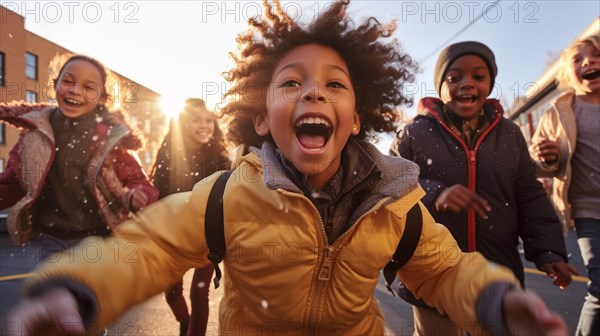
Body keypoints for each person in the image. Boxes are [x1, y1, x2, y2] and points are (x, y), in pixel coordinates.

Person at [4, 2, 569, 335]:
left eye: (335, 85)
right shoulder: (227, 196)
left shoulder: (394, 203)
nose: (314, 95)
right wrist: (76, 289)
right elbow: (149, 247)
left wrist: (497, 300)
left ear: (356, 118)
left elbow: (443, 271)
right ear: (260, 117)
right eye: (292, 83)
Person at [389, 40, 579, 335]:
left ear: (490, 83)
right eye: (454, 78)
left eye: (478, 76)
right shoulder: (415, 133)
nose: (467, 83)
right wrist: (436, 194)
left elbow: (529, 195)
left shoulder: (510, 135)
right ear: (440, 86)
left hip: (496, 274)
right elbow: (393, 185)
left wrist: (549, 252)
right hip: (432, 274)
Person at [0, 54, 159, 258]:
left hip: (99, 238)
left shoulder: (109, 137)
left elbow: (136, 180)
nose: (75, 91)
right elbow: (13, 182)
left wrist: (140, 195)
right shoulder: (35, 134)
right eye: (67, 81)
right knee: (56, 284)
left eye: (89, 87)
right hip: (52, 237)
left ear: (102, 98)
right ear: (55, 84)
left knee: (83, 287)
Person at [530, 34, 600, 336]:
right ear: (565, 74)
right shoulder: (557, 112)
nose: (589, 61)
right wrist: (544, 157)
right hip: (587, 210)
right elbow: (537, 164)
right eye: (578, 59)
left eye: (596, 55)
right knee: (599, 283)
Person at [151, 98, 230, 336]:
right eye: (196, 120)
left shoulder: (221, 160)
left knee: (199, 291)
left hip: (207, 235)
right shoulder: (169, 155)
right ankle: (185, 322)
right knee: (171, 291)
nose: (204, 126)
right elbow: (159, 196)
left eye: (209, 121)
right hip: (175, 235)